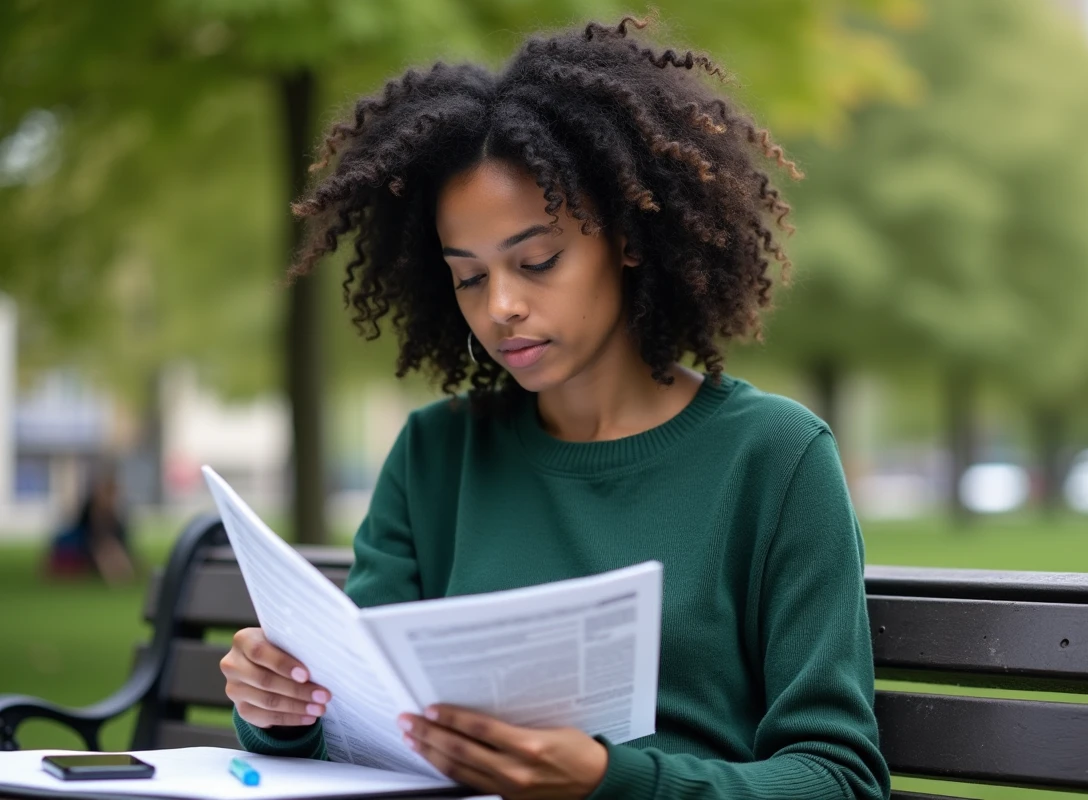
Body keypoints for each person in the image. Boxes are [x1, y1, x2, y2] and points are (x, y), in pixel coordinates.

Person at [219, 16, 888, 800]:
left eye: (537, 261)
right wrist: (285, 710)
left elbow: (838, 778)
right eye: (469, 277)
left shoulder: (774, 457)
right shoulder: (436, 456)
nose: (501, 306)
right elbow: (362, 725)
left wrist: (610, 781)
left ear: (629, 239)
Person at [46, 463, 136, 586]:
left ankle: (122, 577)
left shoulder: (115, 509)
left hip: (108, 542)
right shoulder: (94, 507)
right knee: (106, 552)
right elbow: (92, 530)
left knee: (114, 551)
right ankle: (117, 579)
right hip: (92, 543)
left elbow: (118, 530)